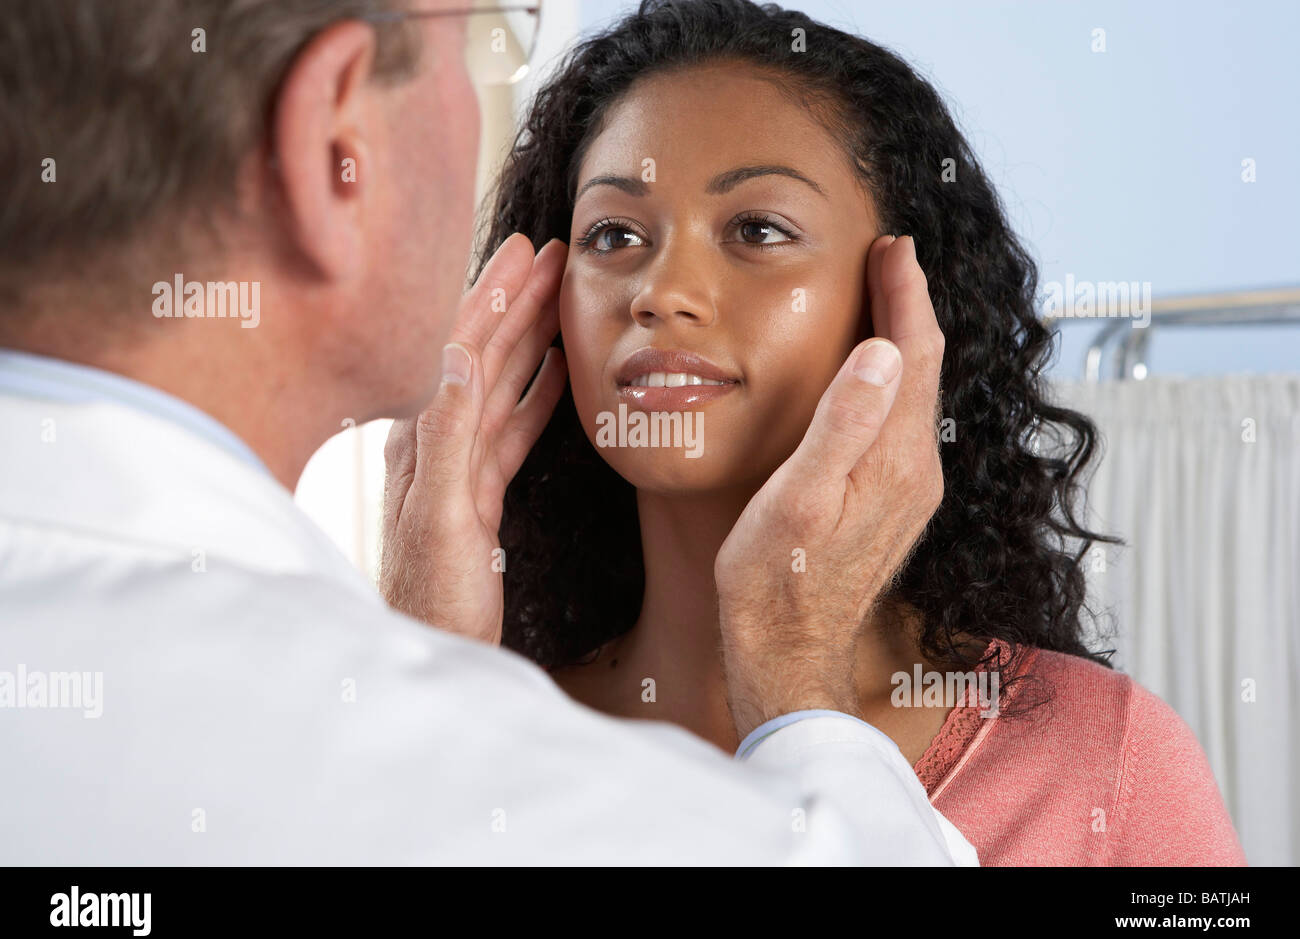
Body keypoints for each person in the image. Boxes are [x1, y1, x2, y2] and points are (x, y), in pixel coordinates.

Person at [0, 0, 975, 864]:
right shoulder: (528, 793)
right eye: (477, 38)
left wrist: (419, 677)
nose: (661, 294)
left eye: (757, 228)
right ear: (332, 140)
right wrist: (798, 672)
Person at [418, 0, 1245, 865]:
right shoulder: (470, 738)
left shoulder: (1106, 761)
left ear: (900, 306)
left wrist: (793, 688)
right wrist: (420, 685)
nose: (662, 291)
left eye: (758, 229)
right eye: (615, 234)